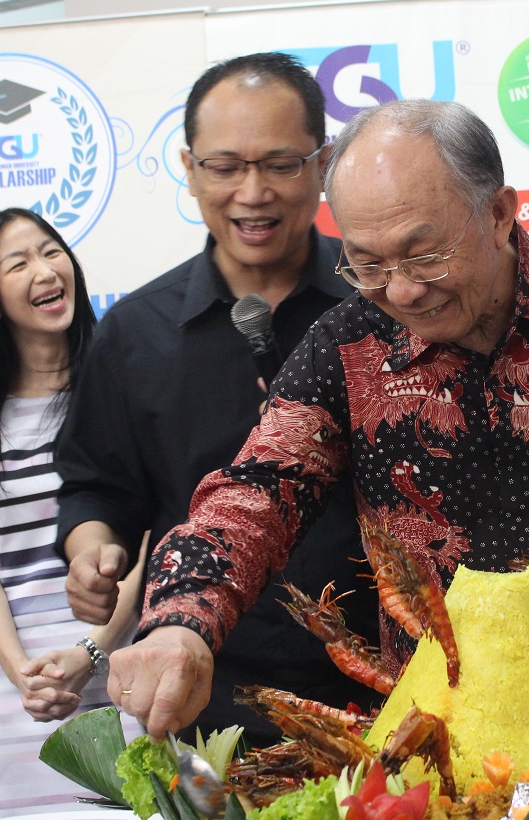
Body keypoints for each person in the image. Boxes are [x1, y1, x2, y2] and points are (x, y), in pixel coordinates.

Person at [108, 99, 529, 741]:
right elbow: (256, 493)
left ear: (499, 214)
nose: (402, 291)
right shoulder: (345, 345)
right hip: (449, 739)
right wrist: (179, 620)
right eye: (367, 264)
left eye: (424, 256)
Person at [54, 53, 382, 745]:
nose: (252, 192)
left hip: (385, 689)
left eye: (280, 164)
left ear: (322, 166)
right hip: (204, 696)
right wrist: (95, 552)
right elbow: (97, 487)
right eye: (226, 167)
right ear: (189, 168)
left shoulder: (385, 307)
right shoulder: (134, 333)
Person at [0, 208, 142, 819]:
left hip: (123, 683)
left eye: (51, 252)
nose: (45, 270)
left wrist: (89, 655)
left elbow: (150, 548)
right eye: (18, 263)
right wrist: (25, 674)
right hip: (12, 699)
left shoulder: (123, 388)